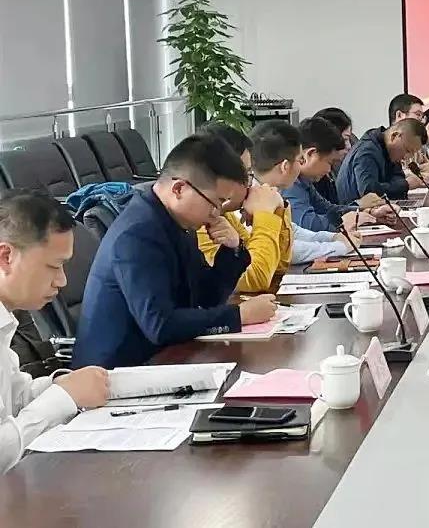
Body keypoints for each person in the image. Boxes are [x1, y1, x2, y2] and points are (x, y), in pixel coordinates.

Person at [73, 134, 278, 369]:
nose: (217, 212)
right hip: (114, 373)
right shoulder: (138, 233)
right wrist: (239, 316)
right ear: (179, 188)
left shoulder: (174, 222)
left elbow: (205, 298)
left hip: (159, 359)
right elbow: (160, 325)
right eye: (215, 202)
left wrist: (231, 249)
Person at [0, 191, 109, 472]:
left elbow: (11, 403)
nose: (61, 281)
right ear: (6, 257)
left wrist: (62, 384)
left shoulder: (6, 320)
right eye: (53, 266)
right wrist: (64, 397)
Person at [198, 122, 369, 291]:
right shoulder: (202, 223)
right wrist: (265, 216)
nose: (249, 182)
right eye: (247, 173)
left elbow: (279, 261)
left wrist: (279, 209)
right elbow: (257, 277)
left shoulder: (225, 215)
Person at [284, 117, 388, 232]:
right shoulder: (289, 182)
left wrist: (366, 213)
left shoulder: (304, 180)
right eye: (330, 163)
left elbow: (329, 210)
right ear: (310, 154)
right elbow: (307, 224)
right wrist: (345, 222)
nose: (329, 170)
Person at [336, 119, 428, 203]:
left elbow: (398, 177)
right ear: (394, 136)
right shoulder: (367, 151)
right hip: (353, 211)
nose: (406, 157)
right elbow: (369, 192)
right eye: (407, 150)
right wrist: (405, 184)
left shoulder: (389, 150)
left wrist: (401, 185)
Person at [312, 107, 355, 204]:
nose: (349, 146)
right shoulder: (311, 178)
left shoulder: (333, 170)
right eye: (345, 139)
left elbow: (331, 208)